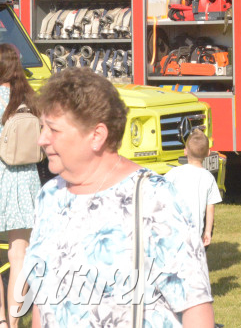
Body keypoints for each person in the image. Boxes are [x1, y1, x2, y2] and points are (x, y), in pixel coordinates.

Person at [19, 68, 215, 327]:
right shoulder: (49, 196)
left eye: (53, 130)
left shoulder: (154, 198)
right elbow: (43, 301)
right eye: (42, 127)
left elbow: (195, 306)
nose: (42, 139)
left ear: (96, 136)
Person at [0, 44, 41, 328]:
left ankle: (0, 320)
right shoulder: (30, 99)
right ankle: (14, 323)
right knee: (19, 254)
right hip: (26, 180)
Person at [166, 129, 222, 249]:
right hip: (196, 232)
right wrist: (207, 232)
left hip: (174, 229)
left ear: (185, 151)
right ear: (208, 153)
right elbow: (210, 207)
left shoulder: (174, 173)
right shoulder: (209, 178)